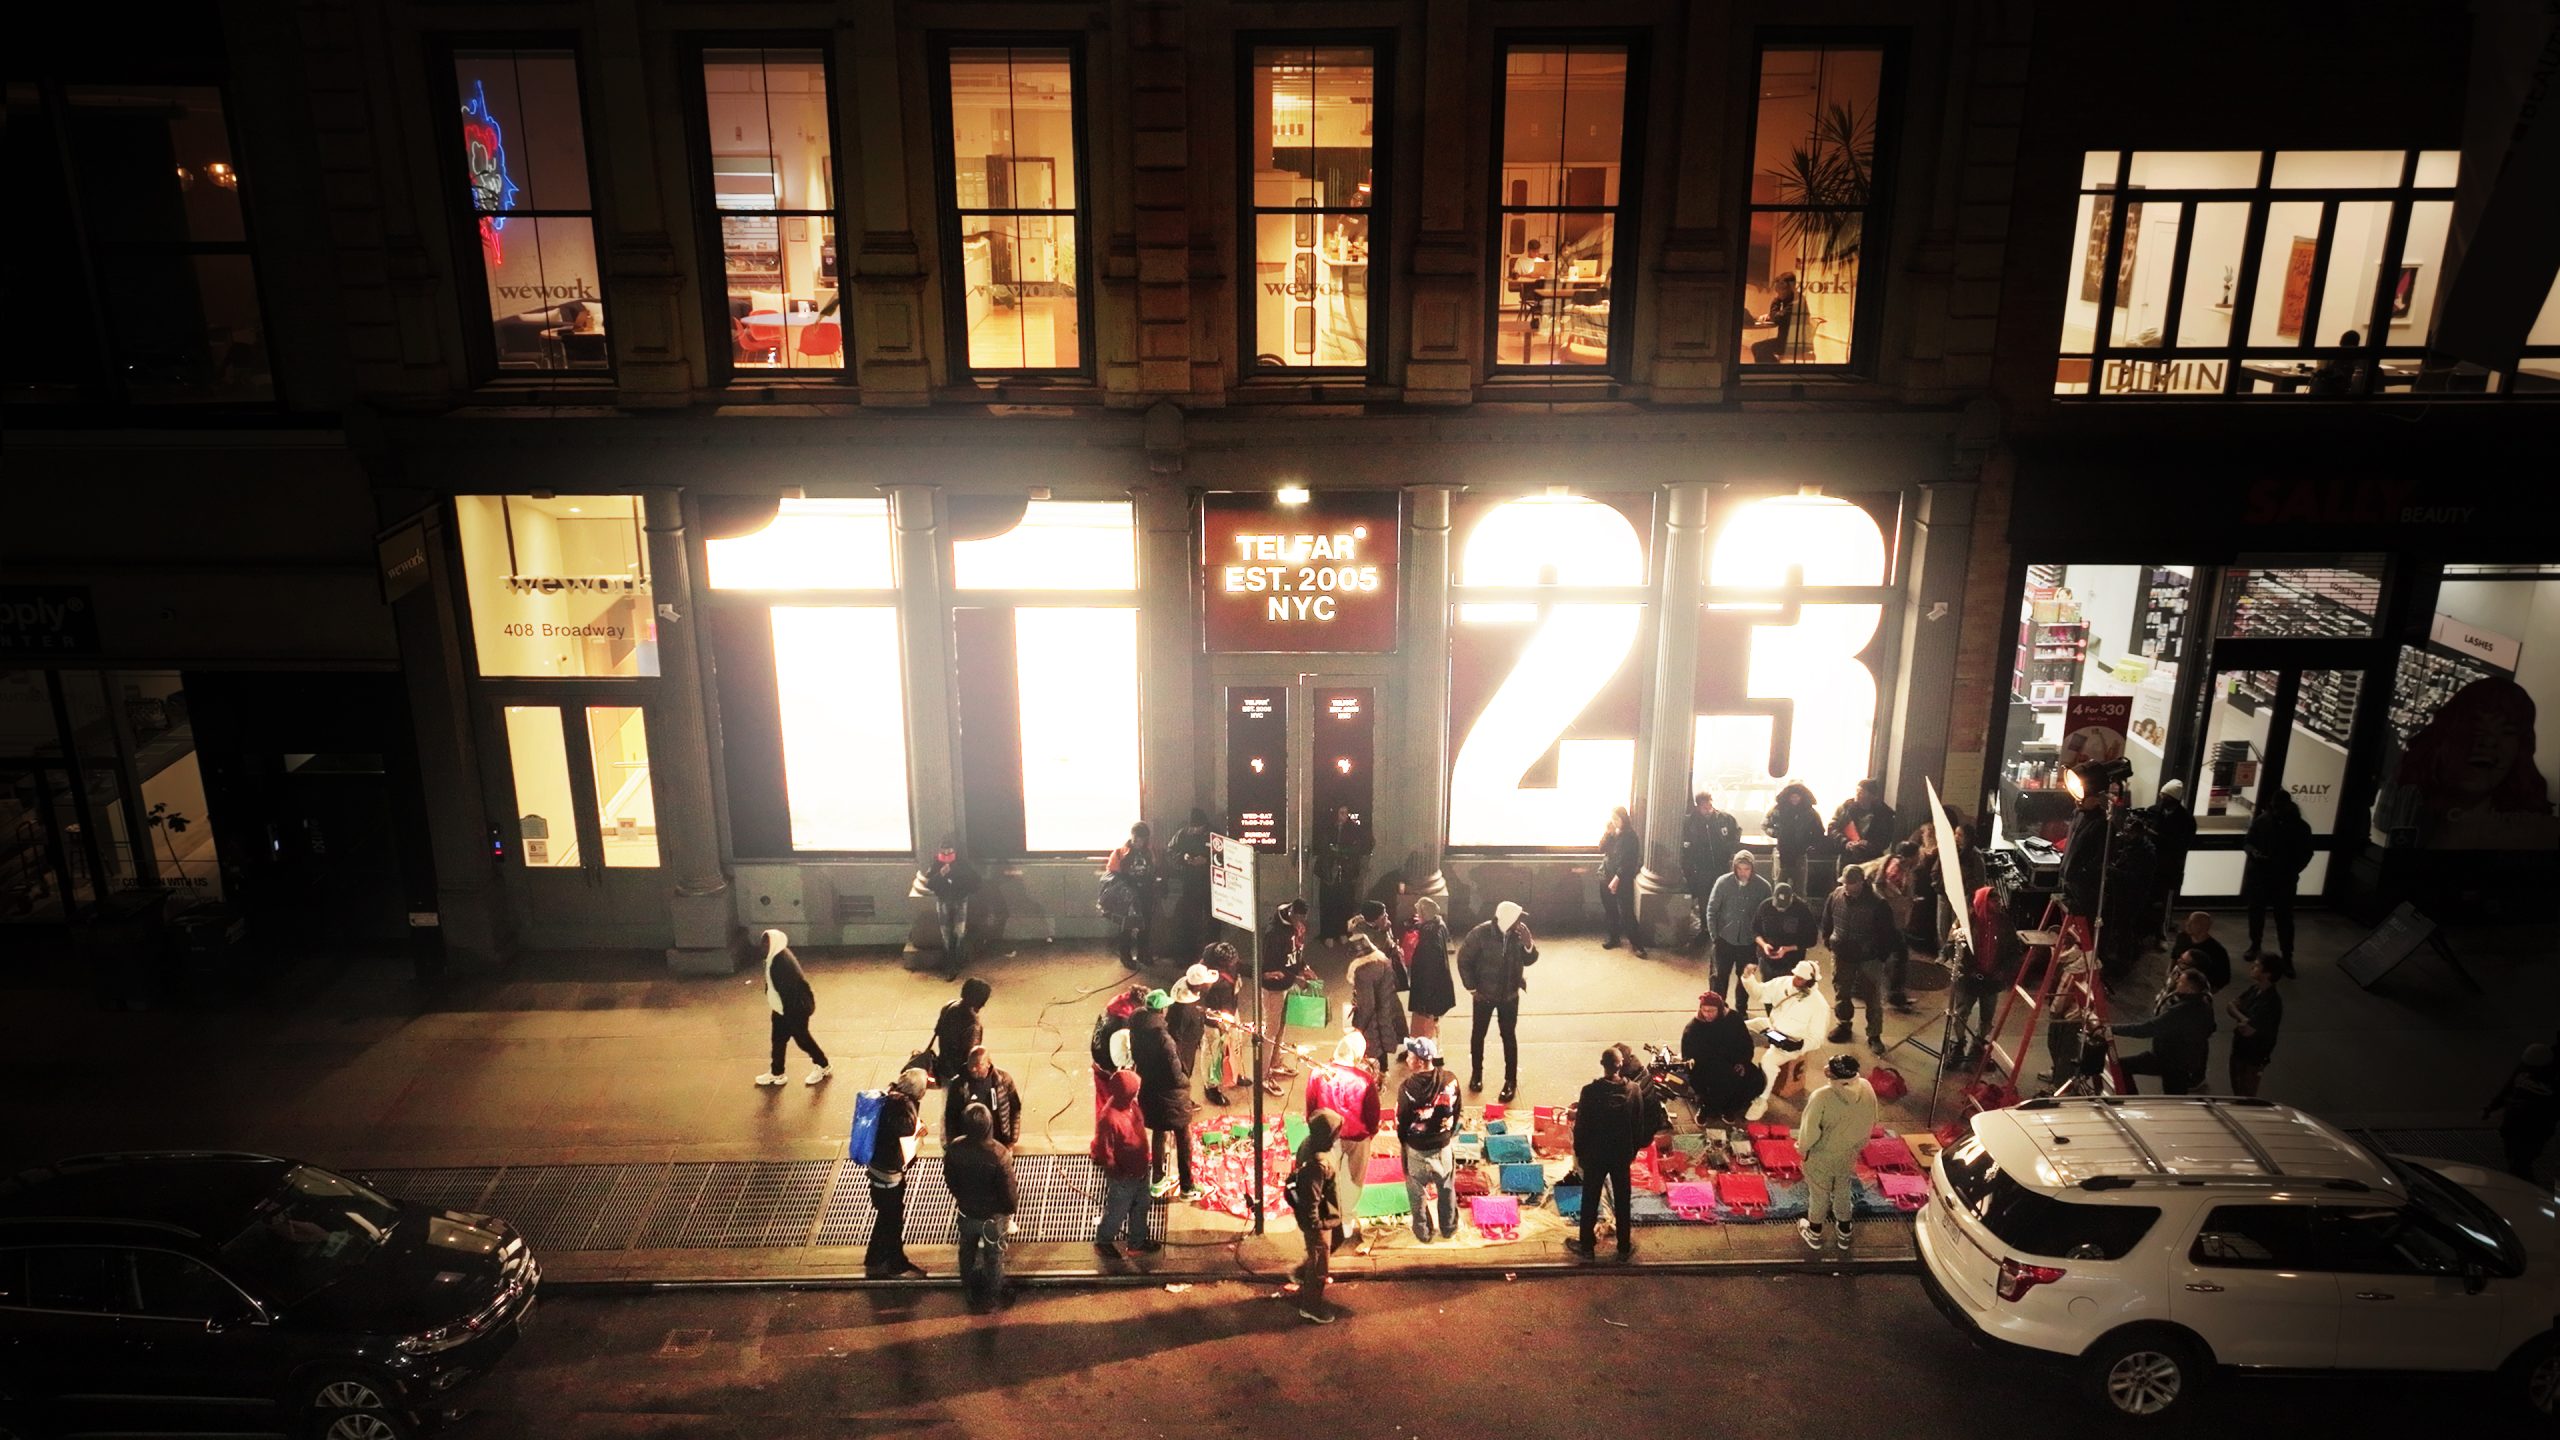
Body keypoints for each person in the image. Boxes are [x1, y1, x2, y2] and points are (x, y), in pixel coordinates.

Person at [1306, 1032, 1383, 1253]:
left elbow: (1310, 1108)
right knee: (1354, 1180)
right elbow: (1373, 1114)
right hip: (1357, 1137)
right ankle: (1346, 1221)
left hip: (1328, 1138)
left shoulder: (1318, 1074)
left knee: (1328, 1181)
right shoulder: (1364, 1080)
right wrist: (1371, 1132)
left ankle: (1329, 1222)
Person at [1798, 1053, 1881, 1255]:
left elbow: (1809, 1132)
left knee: (1819, 1194)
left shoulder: (1822, 1096)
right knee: (1842, 1188)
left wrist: (1803, 1150)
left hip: (1822, 1154)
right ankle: (1844, 1230)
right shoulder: (1867, 1088)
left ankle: (1814, 1232)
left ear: (1831, 1073)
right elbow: (1873, 1119)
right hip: (1848, 1153)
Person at [1457, 900, 1538, 1103]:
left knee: (1509, 1037)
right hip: (1484, 994)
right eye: (1517, 919)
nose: (1520, 923)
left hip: (1509, 995)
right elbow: (1464, 960)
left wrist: (1528, 944)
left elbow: (1529, 960)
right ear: (1507, 919)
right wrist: (1472, 988)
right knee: (1478, 1034)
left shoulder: (1519, 936)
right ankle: (1477, 1075)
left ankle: (1510, 1081)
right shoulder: (1480, 934)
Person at [1566, 1050, 1641, 1261]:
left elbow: (1582, 1126)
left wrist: (1580, 1153)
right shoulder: (1633, 1091)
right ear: (1622, 1065)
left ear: (1602, 1064)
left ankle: (1587, 1246)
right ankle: (1624, 1246)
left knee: (1590, 1199)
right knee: (1623, 1199)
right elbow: (1638, 1124)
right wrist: (1632, 1151)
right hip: (1620, 1154)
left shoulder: (1590, 1092)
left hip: (1595, 1154)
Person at [944, 1101, 1017, 1311]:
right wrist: (1010, 1209)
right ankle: (992, 1295)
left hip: (967, 1212)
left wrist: (961, 1197)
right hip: (992, 1218)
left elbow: (950, 1179)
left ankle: (969, 1288)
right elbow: (1008, 1190)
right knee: (993, 1256)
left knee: (967, 1250)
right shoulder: (999, 1153)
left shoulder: (955, 1147)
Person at [1819, 866, 1899, 1053]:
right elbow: (1827, 921)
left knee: (1872, 996)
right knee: (1842, 991)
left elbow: (1888, 934)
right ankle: (1844, 1024)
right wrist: (1828, 941)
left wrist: (1880, 956)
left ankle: (1874, 1035)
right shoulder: (1835, 896)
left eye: (1851, 883)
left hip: (1868, 958)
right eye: (1845, 882)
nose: (1846, 886)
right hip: (1842, 955)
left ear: (1862, 882)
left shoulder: (1878, 904)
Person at [1742, 959, 1832, 1120]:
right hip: (1771, 1026)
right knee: (1738, 1028)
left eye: (1800, 978)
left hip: (1791, 1041)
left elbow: (1817, 1038)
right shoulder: (1783, 983)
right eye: (1795, 975)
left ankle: (1761, 1100)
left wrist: (1799, 1045)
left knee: (1768, 1062)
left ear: (1811, 982)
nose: (1795, 980)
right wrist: (1748, 978)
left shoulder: (1819, 1005)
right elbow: (1760, 993)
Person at [1129, 989, 1197, 1201]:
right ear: (1162, 1010)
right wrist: (1186, 1083)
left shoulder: (1137, 1029)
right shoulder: (1163, 1038)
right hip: (1171, 1096)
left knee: (1159, 1133)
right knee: (1183, 1137)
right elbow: (1176, 1073)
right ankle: (1187, 1188)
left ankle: (1157, 1182)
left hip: (1150, 1091)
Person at [1394, 1037, 1463, 1243]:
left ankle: (1423, 1232)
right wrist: (1446, 1134)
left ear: (1420, 1062)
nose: (1407, 1059)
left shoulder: (1407, 1088)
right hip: (1442, 1147)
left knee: (1417, 1194)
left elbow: (1402, 1121)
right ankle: (1449, 1228)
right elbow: (1457, 1111)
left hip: (1417, 1150)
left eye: (1410, 1056)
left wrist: (1405, 1142)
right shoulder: (1450, 1080)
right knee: (1447, 1188)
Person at [864, 1068, 930, 1278]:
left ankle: (874, 1257)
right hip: (889, 1176)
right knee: (893, 1220)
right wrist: (921, 1129)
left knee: (885, 1216)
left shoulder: (889, 1097)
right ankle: (896, 1263)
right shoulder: (901, 1109)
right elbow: (909, 1133)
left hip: (876, 1169)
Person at [2112, 968, 2216, 1095]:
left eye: (2181, 982)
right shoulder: (2204, 1003)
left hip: (2171, 1060)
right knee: (2174, 1093)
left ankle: (2132, 1099)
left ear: (2190, 989)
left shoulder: (2181, 1011)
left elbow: (2147, 1029)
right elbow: (2211, 1028)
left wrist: (2112, 1029)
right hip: (2181, 1059)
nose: (2177, 982)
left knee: (2174, 1095)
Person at [1090, 1069, 1156, 1259]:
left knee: (1141, 1206)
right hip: (1125, 1176)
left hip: (1141, 1169)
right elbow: (1105, 1152)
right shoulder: (1109, 1119)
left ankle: (1137, 1242)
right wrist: (1117, 1173)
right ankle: (1103, 1241)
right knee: (1117, 1212)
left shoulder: (1130, 1105)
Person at [1850, 841, 1922, 1012]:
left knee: (1878, 955)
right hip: (1884, 922)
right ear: (1909, 857)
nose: (1919, 858)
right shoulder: (1895, 872)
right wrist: (1907, 901)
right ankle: (1895, 996)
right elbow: (1889, 897)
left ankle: (1860, 988)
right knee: (1897, 954)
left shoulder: (1896, 866)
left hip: (1880, 920)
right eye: (1917, 855)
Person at [2241, 790, 2314, 959]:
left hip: (2283, 879)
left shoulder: (2300, 827)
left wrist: (2292, 869)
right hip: (2261, 876)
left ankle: (2287, 954)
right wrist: (2254, 853)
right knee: (2257, 913)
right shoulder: (2263, 822)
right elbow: (2248, 842)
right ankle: (2255, 944)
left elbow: (2306, 853)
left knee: (2284, 919)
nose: (2276, 811)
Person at [753, 928, 830, 1087]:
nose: (763, 946)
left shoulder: (780, 963)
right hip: (782, 1008)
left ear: (774, 943)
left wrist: (788, 1016)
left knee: (803, 1039)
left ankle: (823, 1065)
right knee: (778, 1040)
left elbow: (789, 992)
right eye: (763, 942)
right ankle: (777, 1073)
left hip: (794, 1009)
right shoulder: (775, 957)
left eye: (766, 942)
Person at [1947, 884, 2013, 1066]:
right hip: (1968, 980)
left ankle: (1978, 1045)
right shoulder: (1966, 922)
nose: (1998, 903)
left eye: (1999, 900)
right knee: (1961, 1013)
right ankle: (1957, 1045)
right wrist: (1967, 969)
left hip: (1992, 981)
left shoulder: (2004, 922)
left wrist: (2003, 972)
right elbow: (1951, 946)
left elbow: (2013, 950)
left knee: (1987, 1016)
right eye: (1994, 900)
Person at [1288, 1110, 1344, 1322]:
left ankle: (1303, 1273)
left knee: (1335, 1241)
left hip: (1328, 1214)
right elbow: (1311, 1200)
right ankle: (1311, 1306)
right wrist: (1316, 1226)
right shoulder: (1318, 1163)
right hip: (1320, 1219)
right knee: (1321, 1263)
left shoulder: (1308, 1144)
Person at [1703, 848, 1775, 999]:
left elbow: (1767, 916)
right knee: (1719, 977)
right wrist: (1715, 936)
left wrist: (1760, 941)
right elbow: (1712, 910)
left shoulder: (1764, 887)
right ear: (1734, 868)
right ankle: (1718, 1008)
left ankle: (1741, 1010)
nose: (1743, 872)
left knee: (1745, 978)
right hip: (1724, 939)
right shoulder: (1723, 883)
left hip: (1749, 942)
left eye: (1747, 869)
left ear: (1752, 869)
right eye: (1739, 868)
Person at [1258, 900, 1314, 1094]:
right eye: (1298, 917)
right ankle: (1263, 1075)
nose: (1301, 921)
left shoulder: (1295, 927)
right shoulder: (1274, 934)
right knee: (1270, 1030)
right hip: (1274, 988)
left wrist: (1304, 967)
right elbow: (1271, 969)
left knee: (1282, 1026)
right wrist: (1296, 978)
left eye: (1303, 918)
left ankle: (1276, 1063)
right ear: (1290, 913)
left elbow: (1296, 953)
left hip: (1287, 984)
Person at [1681, 991, 1762, 1123]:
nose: (1708, 1014)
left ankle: (1729, 1108)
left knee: (1755, 1080)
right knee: (1708, 1082)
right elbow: (1688, 1053)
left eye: (1712, 1011)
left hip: (1732, 1061)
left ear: (1720, 1009)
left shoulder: (1733, 1019)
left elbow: (1746, 1043)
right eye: (1705, 1010)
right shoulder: (1694, 1027)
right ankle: (1705, 1107)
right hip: (1706, 1064)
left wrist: (1743, 1062)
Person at [2482, 1043, 2559, 1182]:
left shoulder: (2527, 1075)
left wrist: (2493, 1107)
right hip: (2524, 1128)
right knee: (2518, 1160)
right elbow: (2508, 1090)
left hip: (2526, 1128)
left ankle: (2523, 1186)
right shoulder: (2545, 1082)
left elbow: (2508, 1090)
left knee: (2519, 1161)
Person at [1680, 792, 1745, 946]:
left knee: (1722, 897)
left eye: (1710, 806)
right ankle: (1705, 928)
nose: (1708, 810)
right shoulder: (1690, 823)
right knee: (1704, 899)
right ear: (1698, 807)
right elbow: (1686, 847)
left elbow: (1736, 833)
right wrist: (1690, 867)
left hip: (1721, 867)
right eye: (1704, 807)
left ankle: (1721, 928)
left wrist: (1729, 849)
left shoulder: (1725, 819)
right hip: (1702, 868)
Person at [2224, 953, 2292, 1097]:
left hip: (2254, 1056)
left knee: (2247, 1092)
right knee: (2236, 1087)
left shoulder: (2271, 1003)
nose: (2252, 968)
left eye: (2256, 966)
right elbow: (2230, 1006)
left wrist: (2241, 1019)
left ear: (2267, 974)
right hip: (2240, 1049)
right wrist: (2243, 1018)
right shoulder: (2254, 990)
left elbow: (2247, 1030)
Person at [1184, 946, 1245, 1106]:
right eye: (1231, 962)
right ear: (1221, 963)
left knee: (1236, 1042)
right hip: (1214, 1018)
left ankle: (1233, 1073)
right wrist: (1216, 1021)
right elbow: (1200, 1002)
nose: (1234, 964)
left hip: (1231, 1009)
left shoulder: (1229, 964)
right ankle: (1211, 1087)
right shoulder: (1206, 977)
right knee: (1212, 1051)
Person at [1346, 934, 1408, 1069]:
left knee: (1374, 1051)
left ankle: (1378, 1080)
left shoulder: (1362, 972)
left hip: (1374, 1020)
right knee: (1383, 1048)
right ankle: (1384, 1073)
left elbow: (1367, 1005)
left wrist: (1359, 1028)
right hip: (1388, 1011)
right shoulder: (1384, 961)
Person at [1752, 881, 1819, 1004]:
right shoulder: (1764, 906)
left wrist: (1788, 948)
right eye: (1777, 906)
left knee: (1790, 996)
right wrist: (1764, 945)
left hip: (1791, 963)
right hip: (1767, 960)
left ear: (1792, 898)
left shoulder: (1802, 909)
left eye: (1784, 907)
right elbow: (1754, 931)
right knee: (1768, 994)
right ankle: (1772, 1020)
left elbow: (1812, 939)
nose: (1780, 909)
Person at [1104, 822, 1160, 968]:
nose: (1137, 842)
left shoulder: (1151, 851)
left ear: (1146, 839)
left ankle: (1143, 953)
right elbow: (1111, 874)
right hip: (1127, 894)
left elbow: (1156, 869)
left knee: (1145, 924)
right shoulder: (1119, 853)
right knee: (1126, 925)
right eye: (1135, 839)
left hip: (1146, 892)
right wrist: (1126, 883)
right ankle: (1125, 955)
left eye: (1140, 839)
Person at [1313, 805, 1373, 941]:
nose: (1343, 816)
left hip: (1347, 873)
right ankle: (1328, 934)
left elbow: (1358, 848)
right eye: (1341, 813)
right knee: (1329, 904)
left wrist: (1341, 851)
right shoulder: (1327, 828)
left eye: (1346, 813)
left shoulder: (1353, 830)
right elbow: (1323, 847)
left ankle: (1343, 932)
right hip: (1329, 873)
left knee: (1345, 904)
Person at [943, 1045, 1021, 1147]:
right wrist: (953, 1144)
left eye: (978, 1065)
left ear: (988, 1063)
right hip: (969, 1143)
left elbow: (1015, 1109)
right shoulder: (958, 1084)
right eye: (970, 1064)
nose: (973, 1069)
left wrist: (1012, 1140)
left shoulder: (1004, 1080)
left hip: (998, 1141)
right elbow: (950, 1117)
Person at [919, 841, 978, 976]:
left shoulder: (962, 864)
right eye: (944, 852)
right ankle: (949, 965)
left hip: (960, 900)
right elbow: (929, 884)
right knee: (946, 935)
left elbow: (975, 881)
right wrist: (940, 875)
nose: (946, 855)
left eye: (949, 852)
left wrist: (958, 876)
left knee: (959, 932)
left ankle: (958, 962)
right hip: (944, 901)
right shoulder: (936, 864)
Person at [1164, 808, 1214, 966]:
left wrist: (1207, 860)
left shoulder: (1214, 835)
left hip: (1211, 885)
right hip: (1190, 884)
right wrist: (1183, 858)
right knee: (1188, 921)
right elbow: (1170, 852)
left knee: (1211, 922)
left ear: (1204, 825)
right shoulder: (1182, 834)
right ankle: (1187, 956)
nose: (1194, 830)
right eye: (1192, 827)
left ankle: (1211, 957)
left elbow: (1226, 854)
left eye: (1197, 827)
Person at [2148, 781, 2196, 936]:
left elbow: (2181, 845)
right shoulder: (2153, 812)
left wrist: (2156, 836)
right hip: (2151, 864)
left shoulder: (2186, 820)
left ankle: (2162, 931)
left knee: (2165, 901)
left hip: (2170, 867)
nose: (2162, 798)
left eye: (2166, 796)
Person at [1403, 896, 1455, 1039]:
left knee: (1422, 1020)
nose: (1417, 915)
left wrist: (1425, 994)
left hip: (1426, 989)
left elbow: (1429, 967)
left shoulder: (1429, 937)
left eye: (1418, 912)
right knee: (1430, 1020)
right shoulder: (1438, 926)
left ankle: (1418, 1049)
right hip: (1435, 986)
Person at [1598, 806, 1646, 955]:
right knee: (1610, 910)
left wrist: (1617, 878)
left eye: (1617, 819)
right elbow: (1601, 849)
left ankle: (1637, 944)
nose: (1615, 822)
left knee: (1626, 912)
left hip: (1622, 879)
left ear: (1624, 819)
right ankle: (1614, 938)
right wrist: (1607, 833)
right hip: (1606, 874)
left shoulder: (1630, 837)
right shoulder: (1612, 833)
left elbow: (1628, 861)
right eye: (1613, 819)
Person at [931, 976, 992, 1086]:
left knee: (949, 1098)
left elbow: (937, 1030)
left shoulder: (949, 1006)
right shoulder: (973, 1024)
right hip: (960, 1075)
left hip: (943, 1066)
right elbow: (972, 1055)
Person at [1765, 783, 1824, 889]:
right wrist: (1777, 834)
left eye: (1797, 796)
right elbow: (1765, 825)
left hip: (1800, 855)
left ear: (1802, 797)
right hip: (1782, 853)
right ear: (1787, 797)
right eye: (1792, 796)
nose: (1795, 799)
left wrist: (1811, 845)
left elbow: (1819, 831)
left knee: (1800, 889)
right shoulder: (1778, 810)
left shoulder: (1810, 813)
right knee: (1779, 888)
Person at [2168, 911, 2232, 993]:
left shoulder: (2218, 951)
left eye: (2193, 922)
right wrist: (2169, 974)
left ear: (2205, 927)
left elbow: (2223, 979)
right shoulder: (2182, 937)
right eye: (2188, 921)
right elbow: (2174, 955)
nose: (2187, 924)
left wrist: (2203, 994)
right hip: (2177, 983)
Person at [1750, 271, 1801, 364]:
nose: (1777, 293)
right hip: (1789, 340)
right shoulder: (1794, 299)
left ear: (1788, 289)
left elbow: (1778, 319)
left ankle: (1772, 370)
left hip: (1792, 344)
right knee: (1758, 347)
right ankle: (1773, 368)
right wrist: (1772, 315)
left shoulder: (1796, 303)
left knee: (1759, 348)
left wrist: (1776, 301)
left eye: (1778, 291)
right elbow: (1781, 316)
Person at [2310, 329, 2364, 395]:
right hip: (2342, 391)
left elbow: (2317, 372)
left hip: (2325, 390)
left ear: (2341, 340)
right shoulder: (2358, 358)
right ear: (2357, 343)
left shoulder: (2332, 353)